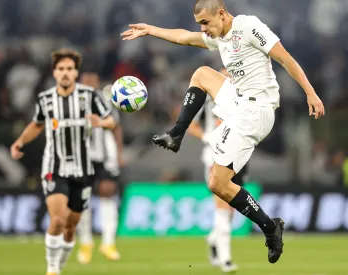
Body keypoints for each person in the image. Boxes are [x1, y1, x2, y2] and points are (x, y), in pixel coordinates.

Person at [121, 0, 325, 263]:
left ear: (221, 13)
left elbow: (285, 58)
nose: (203, 29)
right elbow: (184, 37)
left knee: (217, 183)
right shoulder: (219, 36)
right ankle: (176, 134)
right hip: (239, 102)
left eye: (205, 22)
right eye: (200, 24)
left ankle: (270, 228)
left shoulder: (249, 26)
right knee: (202, 74)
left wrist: (311, 93)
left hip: (257, 111)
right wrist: (151, 29)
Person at [10, 49, 116, 275]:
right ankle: (52, 269)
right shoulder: (45, 99)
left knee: (71, 226)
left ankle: (60, 265)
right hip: (54, 167)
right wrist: (19, 142)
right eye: (61, 69)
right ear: (54, 73)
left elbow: (111, 122)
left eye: (69, 69)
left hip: (82, 168)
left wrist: (101, 122)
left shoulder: (90, 96)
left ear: (76, 72)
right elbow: (36, 124)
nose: (65, 73)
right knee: (58, 219)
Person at [187, 68, 247, 272]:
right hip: (215, 155)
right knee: (222, 206)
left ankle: (214, 240)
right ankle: (226, 259)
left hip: (240, 155)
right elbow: (192, 125)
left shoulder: (244, 96)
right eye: (223, 75)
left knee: (231, 211)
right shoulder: (207, 100)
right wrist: (208, 138)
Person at [75, 72, 124, 264]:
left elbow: (116, 127)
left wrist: (119, 153)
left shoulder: (106, 99)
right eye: (86, 79)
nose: (89, 83)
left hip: (105, 155)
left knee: (107, 191)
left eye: (92, 80)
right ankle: (86, 242)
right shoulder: (72, 101)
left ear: (97, 81)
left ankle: (108, 242)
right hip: (82, 155)